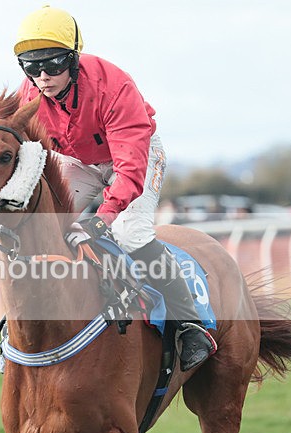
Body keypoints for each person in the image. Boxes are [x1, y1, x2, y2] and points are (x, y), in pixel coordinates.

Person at [13, 5, 216, 370]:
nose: (42, 76)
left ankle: (189, 324)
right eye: (31, 66)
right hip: (80, 161)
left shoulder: (114, 86)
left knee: (130, 232)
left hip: (136, 156)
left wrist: (105, 216)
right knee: (44, 224)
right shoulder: (29, 96)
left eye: (54, 65)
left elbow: (129, 168)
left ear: (74, 59)